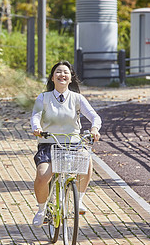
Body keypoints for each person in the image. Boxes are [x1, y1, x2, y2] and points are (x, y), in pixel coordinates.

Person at [30, 60, 102, 228]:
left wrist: (94, 128)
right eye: (58, 72)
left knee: (87, 161)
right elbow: (35, 115)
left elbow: (94, 116)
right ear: (52, 78)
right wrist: (37, 128)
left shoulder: (77, 98)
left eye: (66, 72)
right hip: (49, 142)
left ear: (70, 78)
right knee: (42, 177)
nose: (62, 75)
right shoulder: (44, 97)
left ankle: (79, 201)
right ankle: (41, 210)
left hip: (73, 143)